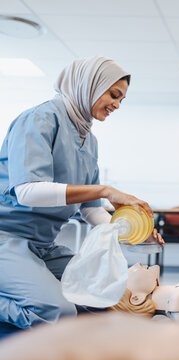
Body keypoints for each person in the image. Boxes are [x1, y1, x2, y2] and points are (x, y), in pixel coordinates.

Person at [0, 56, 162, 329]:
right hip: (7, 240)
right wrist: (105, 190)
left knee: (102, 294)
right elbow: (27, 192)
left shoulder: (89, 141)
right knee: (60, 311)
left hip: (43, 247)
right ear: (89, 84)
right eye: (114, 95)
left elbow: (91, 209)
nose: (117, 105)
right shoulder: (39, 119)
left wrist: (133, 233)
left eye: (121, 100)